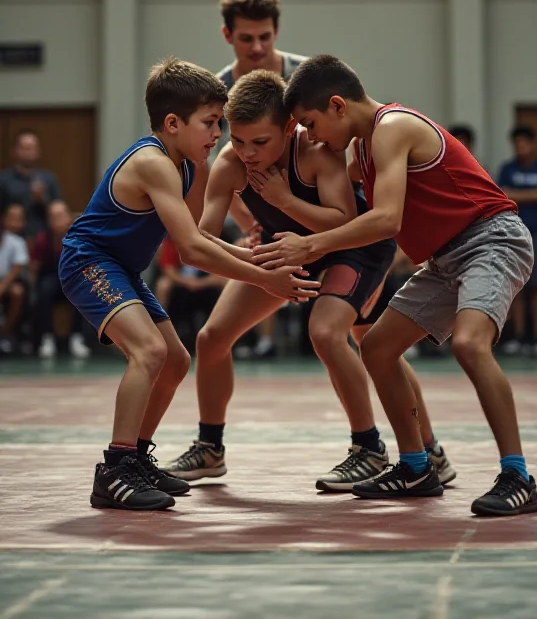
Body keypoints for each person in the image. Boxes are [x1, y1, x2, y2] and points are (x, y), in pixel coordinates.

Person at [253, 54, 537, 517]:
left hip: (492, 239)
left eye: (310, 123)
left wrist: (310, 247)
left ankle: (517, 476)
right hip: (446, 258)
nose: (311, 136)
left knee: (469, 345)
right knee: (379, 347)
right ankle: (416, 467)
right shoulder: (363, 147)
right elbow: (327, 196)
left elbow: (386, 220)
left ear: (337, 106)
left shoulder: (393, 128)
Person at [165, 70, 455, 492]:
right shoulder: (229, 162)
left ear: (289, 127)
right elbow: (203, 238)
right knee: (212, 339)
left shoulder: (317, 150)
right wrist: (257, 264)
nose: (247, 153)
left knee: (335, 334)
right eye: (239, 140)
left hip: (352, 250)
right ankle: (210, 448)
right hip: (284, 256)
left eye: (259, 143)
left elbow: (345, 220)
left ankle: (374, 449)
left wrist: (284, 200)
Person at [58, 57, 320, 512]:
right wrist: (266, 278)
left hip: (120, 268)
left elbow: (198, 236)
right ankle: (115, 469)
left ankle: (136, 457)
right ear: (173, 122)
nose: (218, 135)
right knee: (150, 351)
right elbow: (192, 253)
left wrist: (257, 258)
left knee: (176, 360)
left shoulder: (180, 164)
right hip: (89, 262)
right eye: (211, 123)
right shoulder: (154, 163)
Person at [215, 0, 308, 356]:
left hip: (324, 221)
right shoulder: (217, 90)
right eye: (246, 38)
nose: (257, 47)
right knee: (212, 339)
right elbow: (215, 169)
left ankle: (403, 419)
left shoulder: (304, 77)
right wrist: (248, 224)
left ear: (276, 32)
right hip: (266, 224)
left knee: (361, 335)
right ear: (227, 35)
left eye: (265, 37)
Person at [498, 126, 537, 356]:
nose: (520, 147)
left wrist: (517, 194)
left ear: (533, 144)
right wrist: (533, 194)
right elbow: (502, 195)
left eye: (524, 142)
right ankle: (519, 336)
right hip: (513, 233)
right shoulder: (507, 169)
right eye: (517, 143)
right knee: (517, 287)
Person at [30, 200, 91, 360]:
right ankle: (47, 338)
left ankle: (77, 338)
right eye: (53, 217)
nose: (57, 220)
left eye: (61, 215)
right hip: (50, 278)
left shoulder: (79, 236)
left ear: (69, 218)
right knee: (44, 290)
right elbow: (36, 267)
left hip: (73, 277)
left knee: (81, 288)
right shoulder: (43, 239)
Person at [0, 130, 62, 240]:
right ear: (14, 150)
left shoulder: (49, 179)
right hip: (12, 239)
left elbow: (59, 212)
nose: (29, 152)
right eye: (25, 148)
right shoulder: (3, 179)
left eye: (32, 148)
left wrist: (42, 199)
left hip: (43, 240)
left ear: (38, 151)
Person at [0, 204, 29, 354]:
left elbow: (16, 271)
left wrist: (2, 288)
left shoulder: (16, 242)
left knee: (17, 292)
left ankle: (6, 334)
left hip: (8, 282)